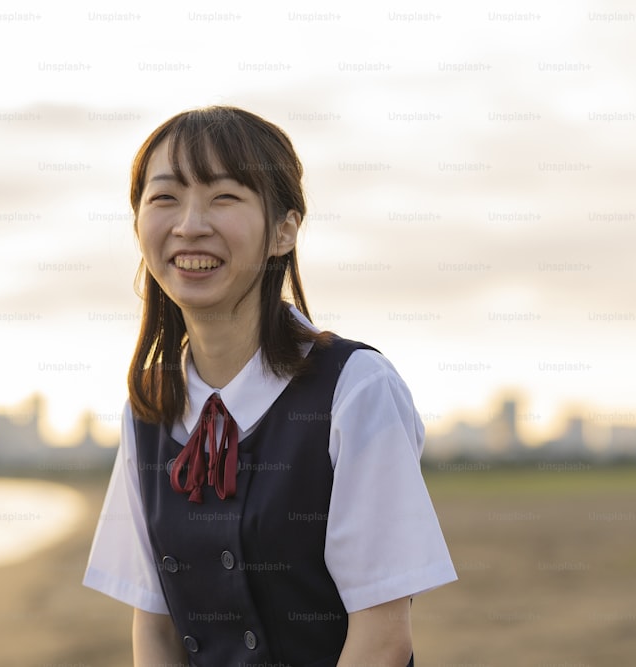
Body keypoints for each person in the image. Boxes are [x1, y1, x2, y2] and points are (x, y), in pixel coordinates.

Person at [83, 105, 457, 666]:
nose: (190, 224)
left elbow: (383, 640)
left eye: (224, 197)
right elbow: (155, 626)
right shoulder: (150, 409)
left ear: (284, 229)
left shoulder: (353, 388)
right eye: (164, 198)